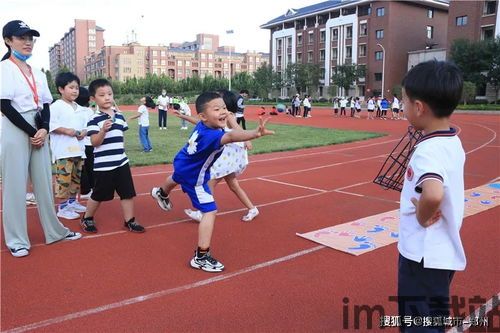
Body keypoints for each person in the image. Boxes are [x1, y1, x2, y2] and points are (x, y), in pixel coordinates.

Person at [151, 91, 274, 272]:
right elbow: (231, 136)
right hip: (195, 176)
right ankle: (201, 256)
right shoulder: (214, 136)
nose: (223, 112)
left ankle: (161, 192)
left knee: (176, 177)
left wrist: (186, 116)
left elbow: (223, 130)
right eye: (217, 109)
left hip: (182, 162)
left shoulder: (205, 126)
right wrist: (255, 134)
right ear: (204, 116)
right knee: (210, 210)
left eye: (224, 107)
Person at [1, 20, 82, 257]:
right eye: (21, 38)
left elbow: (45, 104)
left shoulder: (37, 72)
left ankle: (54, 231)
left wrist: (44, 129)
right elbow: (4, 105)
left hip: (39, 127)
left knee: (44, 183)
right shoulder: (3, 68)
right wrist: (31, 131)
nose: (28, 42)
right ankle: (16, 239)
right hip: (17, 126)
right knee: (15, 186)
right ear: (8, 40)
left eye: (31, 38)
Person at [398, 60, 465, 332]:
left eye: (404, 101)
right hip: (442, 252)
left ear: (418, 107)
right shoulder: (452, 140)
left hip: (421, 255)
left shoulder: (427, 150)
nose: (402, 107)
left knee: (418, 324)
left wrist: (424, 216)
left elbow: (434, 194)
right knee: (434, 318)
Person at [178, 89, 260, 223]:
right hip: (223, 154)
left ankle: (203, 211)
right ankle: (252, 208)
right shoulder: (213, 119)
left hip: (229, 155)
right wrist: (183, 117)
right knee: (233, 185)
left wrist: (247, 140)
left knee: (210, 181)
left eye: (221, 104)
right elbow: (200, 123)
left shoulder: (229, 116)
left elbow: (237, 130)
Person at [80, 79, 145, 234]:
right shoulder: (93, 119)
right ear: (93, 99)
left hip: (121, 162)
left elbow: (121, 133)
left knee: (127, 193)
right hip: (104, 165)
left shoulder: (119, 116)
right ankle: (87, 217)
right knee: (98, 195)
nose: (107, 97)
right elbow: (95, 142)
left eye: (109, 94)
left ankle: (129, 220)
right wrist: (102, 130)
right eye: (102, 95)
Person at [49, 72, 88, 220]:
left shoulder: (80, 108)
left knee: (76, 179)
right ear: (61, 89)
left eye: (77, 88)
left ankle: (72, 202)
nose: (74, 91)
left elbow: (86, 126)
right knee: (64, 179)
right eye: (71, 87)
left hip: (79, 150)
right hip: (64, 151)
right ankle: (62, 207)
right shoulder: (56, 107)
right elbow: (51, 125)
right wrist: (66, 130)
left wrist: (83, 132)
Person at [76, 86, 95, 199]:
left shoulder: (78, 110)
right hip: (88, 143)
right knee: (89, 167)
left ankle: (86, 189)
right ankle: (89, 188)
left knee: (83, 168)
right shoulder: (88, 111)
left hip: (82, 143)